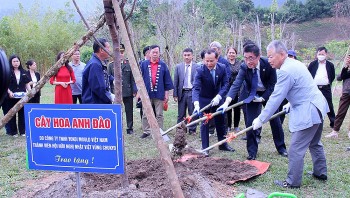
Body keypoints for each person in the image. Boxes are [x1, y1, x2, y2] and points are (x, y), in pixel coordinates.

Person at [251, 40, 328, 188]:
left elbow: (275, 97)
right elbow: (301, 86)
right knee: (315, 142)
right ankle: (320, 172)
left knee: (295, 149)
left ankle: (293, 182)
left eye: (271, 56)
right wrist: (290, 103)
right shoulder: (294, 63)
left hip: (309, 110)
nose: (269, 60)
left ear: (282, 54)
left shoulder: (286, 70)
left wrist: (261, 119)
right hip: (317, 105)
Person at [218, 44, 287, 160]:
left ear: (258, 56)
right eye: (245, 58)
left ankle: (281, 148)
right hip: (251, 94)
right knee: (250, 124)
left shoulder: (268, 64)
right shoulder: (244, 67)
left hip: (267, 93)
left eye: (251, 58)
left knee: (275, 120)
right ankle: (252, 152)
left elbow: (272, 85)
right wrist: (226, 102)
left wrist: (263, 98)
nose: (248, 61)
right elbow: (236, 84)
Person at [192, 49, 235, 156]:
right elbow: (196, 88)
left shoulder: (222, 68)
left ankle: (223, 144)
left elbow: (226, 84)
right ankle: (205, 148)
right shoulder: (200, 70)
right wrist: (196, 104)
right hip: (204, 99)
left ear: (217, 59)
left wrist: (219, 96)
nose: (209, 64)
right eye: (206, 61)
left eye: (211, 61)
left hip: (218, 99)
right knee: (205, 123)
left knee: (221, 122)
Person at [138, 45, 174, 138]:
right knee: (146, 113)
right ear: (149, 53)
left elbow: (167, 81)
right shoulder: (144, 64)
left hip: (159, 93)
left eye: (156, 52)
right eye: (153, 52)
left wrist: (166, 94)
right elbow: (139, 79)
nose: (154, 54)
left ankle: (160, 131)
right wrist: (139, 93)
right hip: (147, 93)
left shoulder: (163, 65)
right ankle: (146, 131)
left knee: (159, 114)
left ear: (159, 53)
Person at [108, 44, 136, 134]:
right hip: (116, 92)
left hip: (128, 91)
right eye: (119, 52)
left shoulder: (128, 64)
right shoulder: (111, 65)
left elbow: (132, 78)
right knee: (117, 110)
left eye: (122, 52)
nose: (120, 54)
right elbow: (108, 78)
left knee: (129, 110)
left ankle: (129, 128)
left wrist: (134, 90)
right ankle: (117, 127)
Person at [308, 47, 335, 129]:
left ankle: (333, 123)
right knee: (312, 105)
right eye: (319, 54)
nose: (321, 56)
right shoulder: (312, 64)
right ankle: (311, 122)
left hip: (326, 88)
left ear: (326, 54)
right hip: (314, 88)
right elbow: (308, 75)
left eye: (322, 54)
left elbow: (332, 76)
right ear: (317, 55)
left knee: (329, 105)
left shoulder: (330, 65)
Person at [173, 48, 199, 134]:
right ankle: (181, 129)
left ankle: (192, 129)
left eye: (188, 55)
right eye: (185, 55)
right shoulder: (178, 67)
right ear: (183, 56)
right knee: (181, 113)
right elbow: (175, 81)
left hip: (192, 92)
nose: (187, 57)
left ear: (192, 56)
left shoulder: (197, 67)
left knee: (192, 112)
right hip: (182, 92)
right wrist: (175, 94)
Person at [4, 54, 31, 137]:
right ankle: (13, 132)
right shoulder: (7, 72)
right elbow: (5, 84)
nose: (16, 63)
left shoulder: (24, 72)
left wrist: (29, 92)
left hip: (22, 97)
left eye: (17, 61)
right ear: (10, 62)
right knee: (12, 113)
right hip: (11, 96)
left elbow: (27, 83)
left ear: (20, 62)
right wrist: (9, 92)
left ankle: (22, 131)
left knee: (22, 114)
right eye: (14, 61)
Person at [324, 55, 350, 139]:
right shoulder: (346, 69)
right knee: (341, 112)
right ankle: (335, 131)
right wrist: (346, 66)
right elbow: (339, 78)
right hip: (346, 92)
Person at [82, 38, 114, 104]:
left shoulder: (99, 62)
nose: (110, 50)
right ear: (101, 50)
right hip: (95, 104)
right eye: (108, 48)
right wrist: (109, 96)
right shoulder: (95, 64)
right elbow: (98, 87)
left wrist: (113, 80)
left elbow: (104, 77)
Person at [226, 47, 242, 132]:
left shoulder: (240, 63)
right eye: (230, 52)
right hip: (227, 89)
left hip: (237, 89)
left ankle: (236, 125)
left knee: (237, 108)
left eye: (233, 53)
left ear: (236, 54)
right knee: (228, 108)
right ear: (227, 54)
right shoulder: (225, 63)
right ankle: (228, 125)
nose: (231, 54)